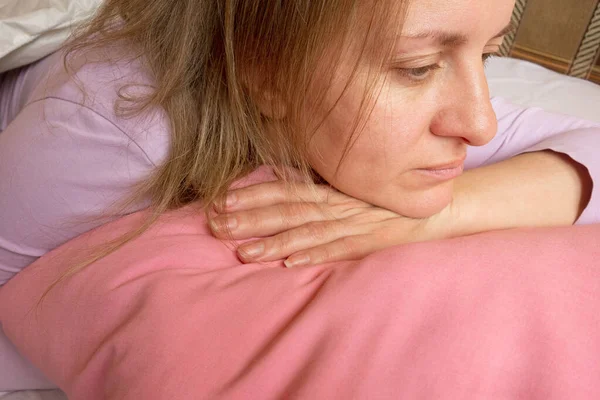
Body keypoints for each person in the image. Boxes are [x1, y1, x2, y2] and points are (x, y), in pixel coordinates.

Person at [0, 0, 599, 391]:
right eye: (417, 68)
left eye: (490, 54)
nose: (481, 123)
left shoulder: (393, 82)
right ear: (263, 71)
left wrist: (439, 215)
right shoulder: (110, 134)